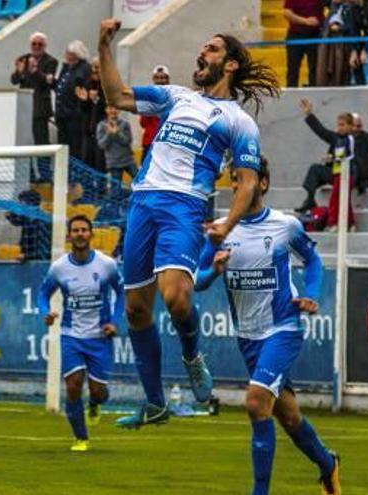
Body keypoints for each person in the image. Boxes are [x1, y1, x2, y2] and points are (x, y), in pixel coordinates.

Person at [97, 18, 279, 428]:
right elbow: (117, 94)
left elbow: (247, 182)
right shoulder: (175, 97)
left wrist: (227, 224)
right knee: (136, 311)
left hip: (184, 205)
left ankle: (192, 354)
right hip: (143, 202)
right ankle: (156, 403)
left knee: (177, 297)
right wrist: (104, 46)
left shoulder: (238, 121)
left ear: (230, 64)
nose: (203, 53)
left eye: (212, 49)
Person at [195, 159, 341, 495]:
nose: (238, 185)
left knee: (255, 401)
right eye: (234, 179)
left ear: (262, 184)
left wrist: (312, 295)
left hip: (282, 328)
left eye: (244, 178)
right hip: (248, 336)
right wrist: (214, 271)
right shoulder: (219, 230)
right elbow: (198, 282)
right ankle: (327, 464)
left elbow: (314, 261)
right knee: (288, 418)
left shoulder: (284, 226)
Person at [37, 215, 124, 452]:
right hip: (71, 336)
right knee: (74, 385)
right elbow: (43, 294)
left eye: (84, 230)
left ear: (91, 234)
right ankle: (81, 438)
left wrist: (115, 322)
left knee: (98, 391)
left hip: (100, 337)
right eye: (75, 230)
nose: (80, 234)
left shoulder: (106, 265)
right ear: (69, 236)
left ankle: (95, 403)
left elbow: (121, 293)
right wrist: (45, 312)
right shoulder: (59, 267)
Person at [297, 99, 355, 231]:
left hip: (348, 174)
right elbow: (321, 131)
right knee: (315, 169)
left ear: (350, 127)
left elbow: (350, 156)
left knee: (337, 199)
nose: (340, 128)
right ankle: (310, 199)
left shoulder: (351, 139)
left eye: (343, 125)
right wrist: (309, 114)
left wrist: (334, 158)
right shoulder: (336, 138)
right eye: (338, 125)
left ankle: (333, 223)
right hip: (336, 173)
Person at [10, 32, 59, 145]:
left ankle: (43, 163)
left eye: (40, 44)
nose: (36, 47)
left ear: (44, 46)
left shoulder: (51, 61)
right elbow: (14, 81)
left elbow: (47, 83)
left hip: (40, 106)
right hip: (25, 106)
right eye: (34, 44)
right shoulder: (23, 59)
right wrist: (19, 71)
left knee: (41, 140)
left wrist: (35, 71)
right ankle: (27, 163)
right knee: (24, 140)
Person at [54, 40, 91, 157]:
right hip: (61, 114)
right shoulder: (65, 68)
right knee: (63, 144)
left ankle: (75, 172)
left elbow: (83, 89)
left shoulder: (84, 68)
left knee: (75, 146)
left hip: (74, 115)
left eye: (72, 54)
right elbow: (59, 86)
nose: (68, 57)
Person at [315, 0, 360, 87]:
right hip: (327, 45)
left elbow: (354, 28)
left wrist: (339, 28)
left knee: (341, 75)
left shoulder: (351, 8)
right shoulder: (333, 6)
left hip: (343, 45)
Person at [283, 0, 324, 87]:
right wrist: (305, 21)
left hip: (316, 35)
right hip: (296, 35)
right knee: (293, 69)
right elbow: (287, 13)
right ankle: (291, 95)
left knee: (315, 69)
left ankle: (315, 94)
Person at [5, 189, 51, 262]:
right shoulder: (28, 218)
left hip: (40, 262)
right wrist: (10, 214)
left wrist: (26, 256)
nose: (20, 205)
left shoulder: (42, 221)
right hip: (28, 260)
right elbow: (16, 221)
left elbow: (44, 250)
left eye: (22, 203)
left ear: (30, 204)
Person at [96, 105, 136, 184]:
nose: (113, 111)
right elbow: (101, 145)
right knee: (116, 189)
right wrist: (109, 134)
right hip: (113, 163)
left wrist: (117, 133)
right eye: (110, 108)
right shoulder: (101, 125)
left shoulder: (125, 124)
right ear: (106, 110)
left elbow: (128, 141)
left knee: (141, 181)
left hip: (128, 160)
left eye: (116, 108)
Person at [138, 65, 169, 161]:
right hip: (149, 142)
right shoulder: (148, 96)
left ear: (168, 80)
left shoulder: (173, 96)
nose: (160, 81)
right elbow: (143, 123)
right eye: (157, 78)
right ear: (153, 79)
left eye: (163, 78)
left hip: (166, 144)